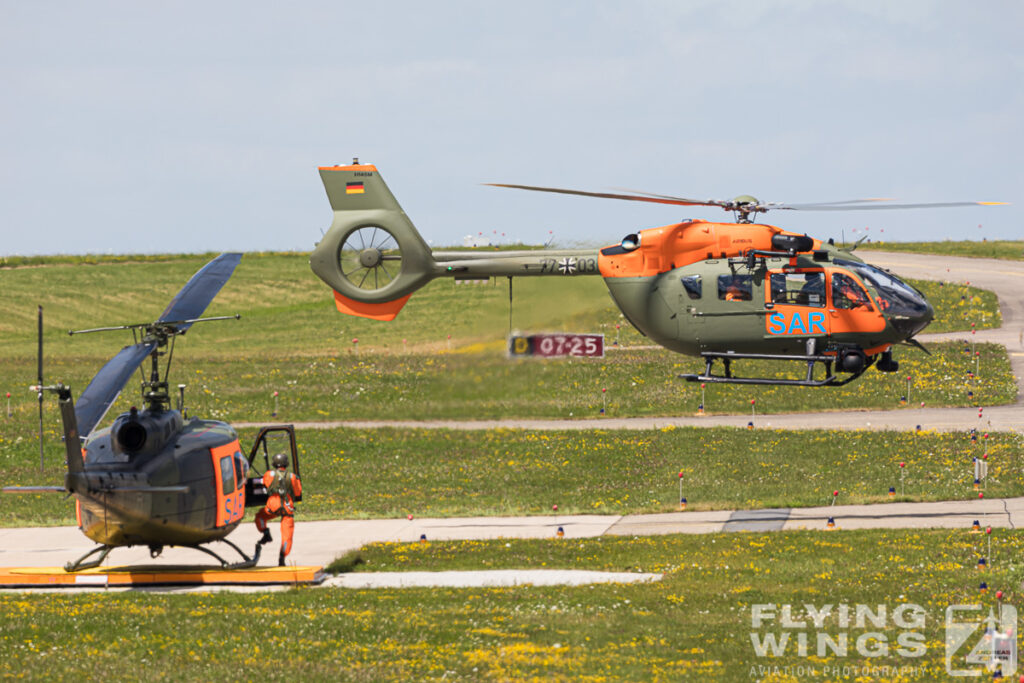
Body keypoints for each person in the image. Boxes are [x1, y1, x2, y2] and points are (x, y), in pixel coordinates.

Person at [255, 452, 302, 566]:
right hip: (287, 509)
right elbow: (297, 492)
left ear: (274, 464)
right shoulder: (293, 477)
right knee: (287, 536)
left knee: (260, 517)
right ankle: (282, 557)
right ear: (286, 464)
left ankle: (265, 532)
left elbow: (265, 484)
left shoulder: (269, 475)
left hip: (272, 507)